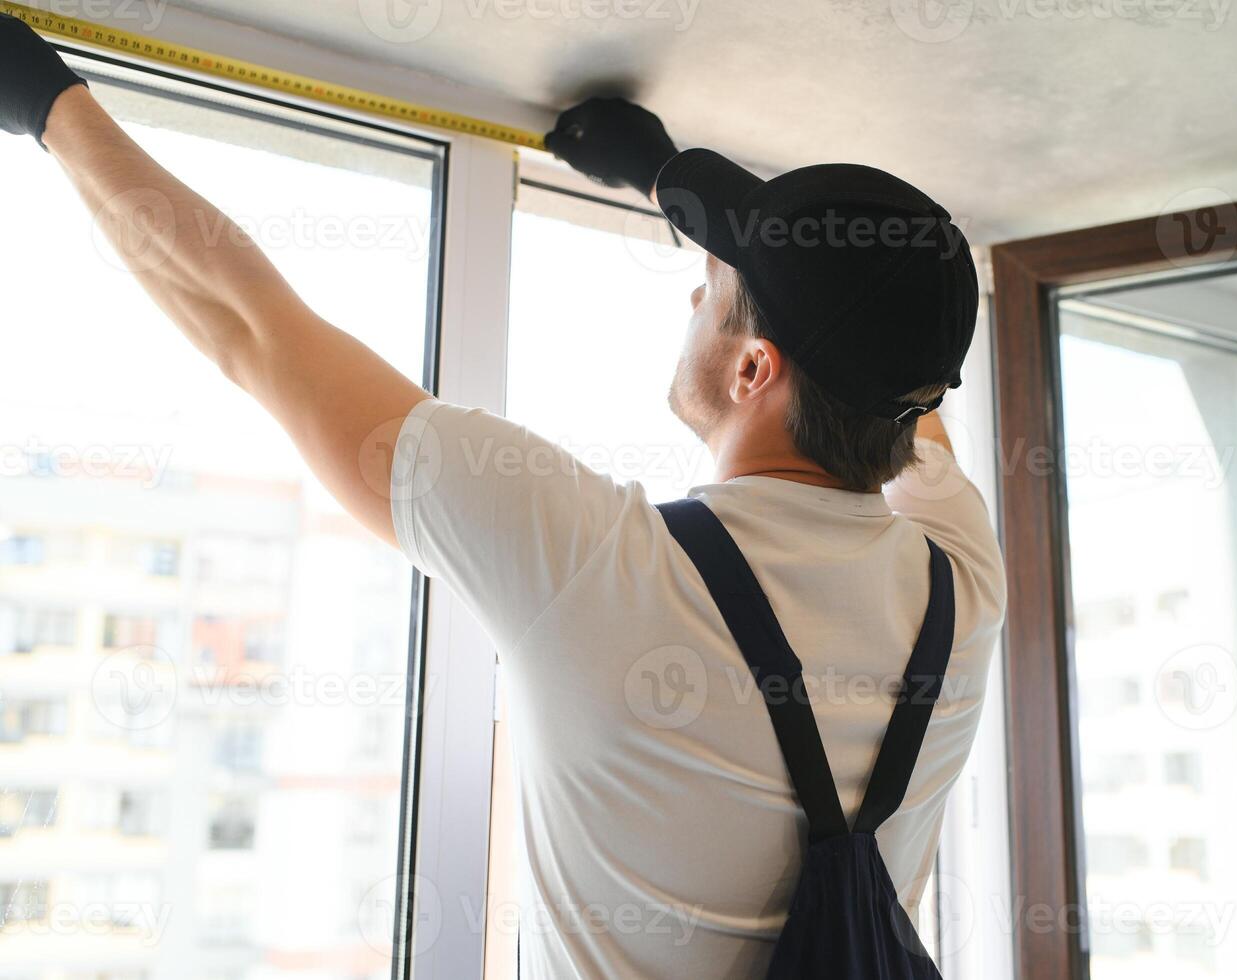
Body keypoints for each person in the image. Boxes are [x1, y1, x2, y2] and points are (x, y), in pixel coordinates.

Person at [2, 15, 1004, 978]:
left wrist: (47, 105)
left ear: (753, 370)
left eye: (714, 284)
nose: (693, 296)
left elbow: (253, 330)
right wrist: (666, 175)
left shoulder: (592, 567)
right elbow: (891, 363)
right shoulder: (962, 585)